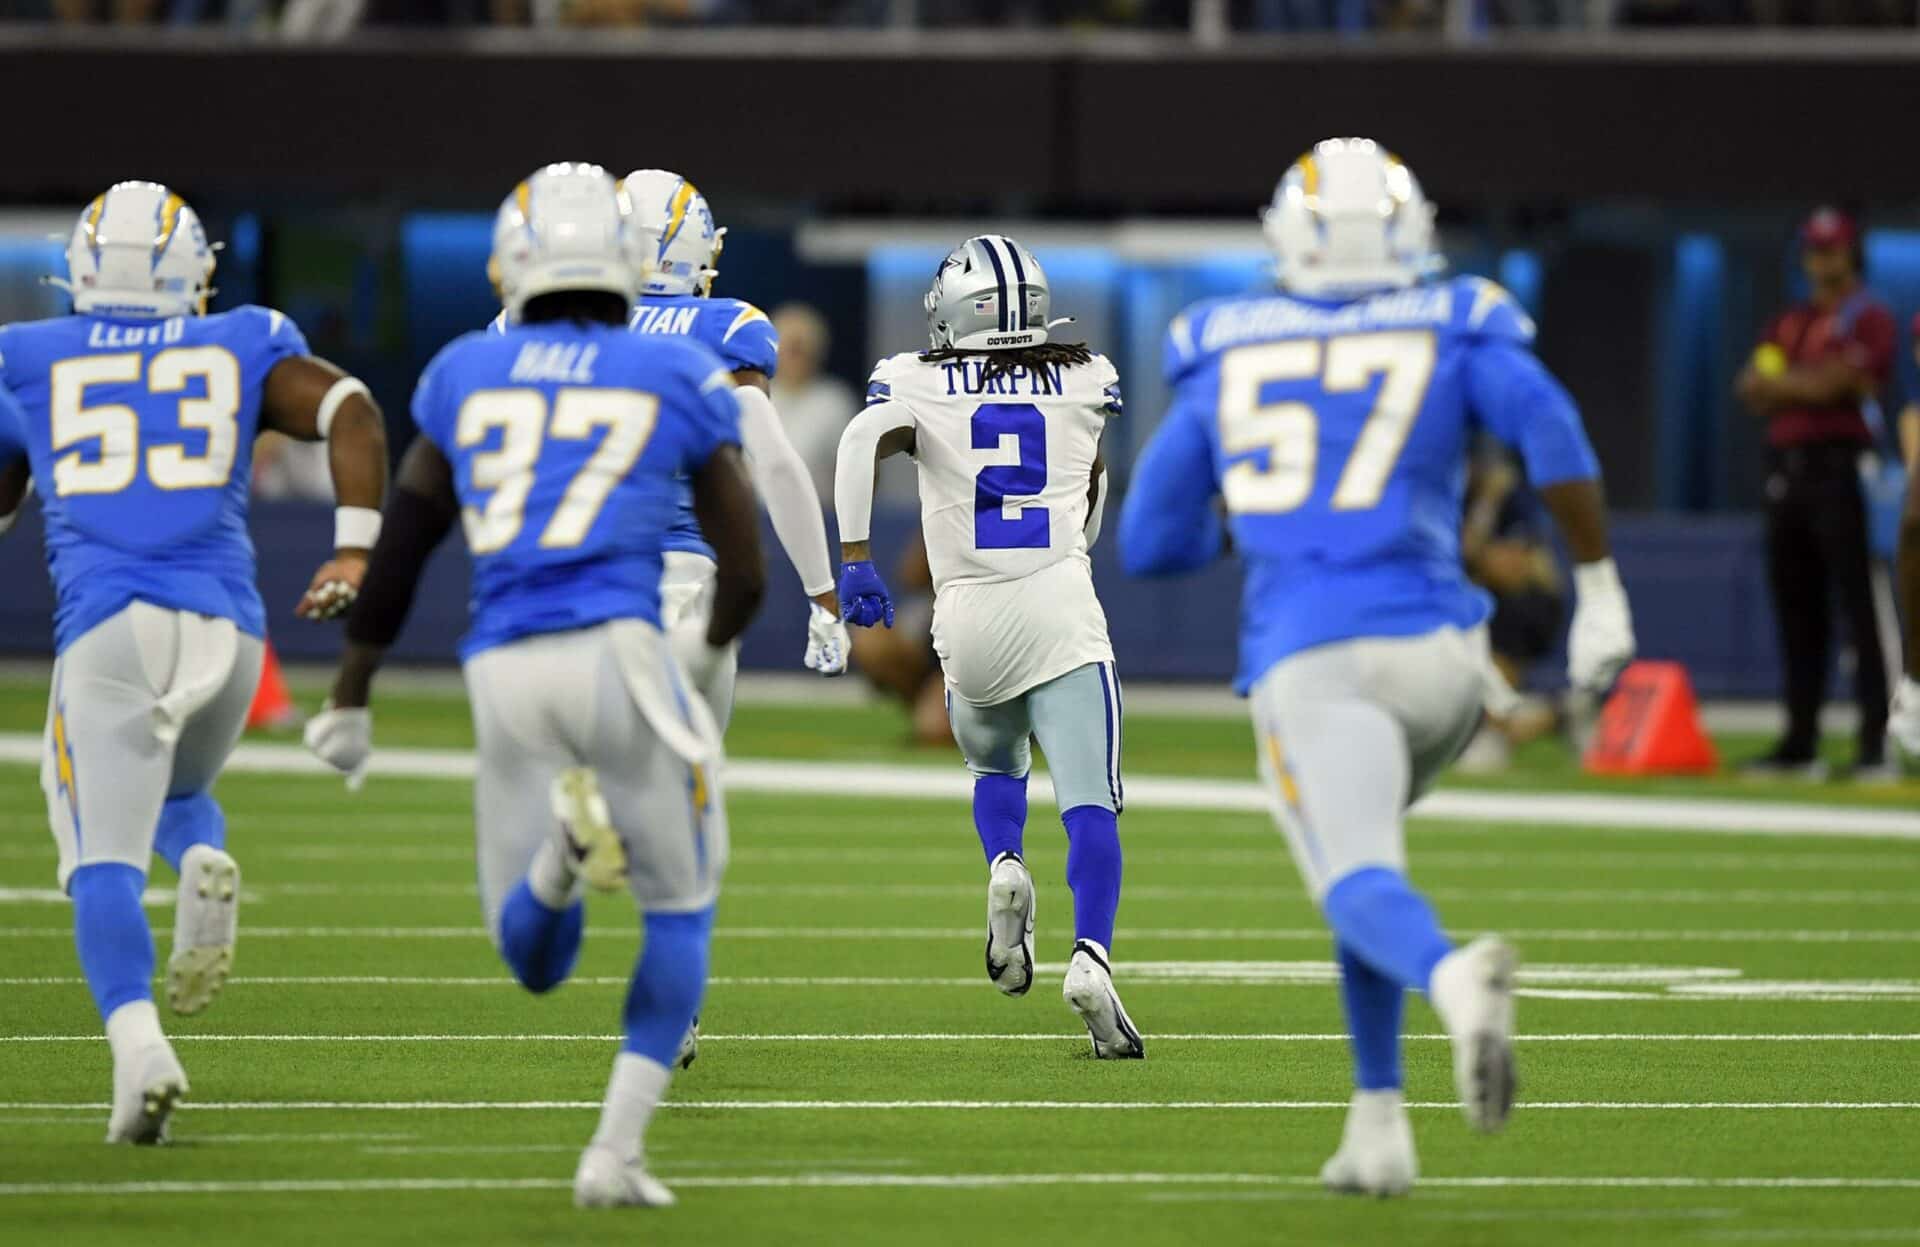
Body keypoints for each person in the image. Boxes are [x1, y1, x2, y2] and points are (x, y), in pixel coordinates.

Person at [1119, 138, 1635, 1195]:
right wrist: (1605, 590)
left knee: (1354, 877)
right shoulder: (1454, 317)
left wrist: (1251, 516)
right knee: (1368, 865)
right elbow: (1551, 424)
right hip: (1449, 656)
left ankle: (1455, 978)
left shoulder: (1223, 342)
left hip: (1318, 654)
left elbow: (1150, 541)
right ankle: (1377, 1121)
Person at [303, 163, 763, 1208]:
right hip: (622, 648)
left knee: (534, 956)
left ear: (513, 256)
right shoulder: (675, 370)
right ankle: (614, 1150)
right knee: (682, 903)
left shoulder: (469, 367)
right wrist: (693, 671)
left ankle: (561, 858)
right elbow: (743, 571)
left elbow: (408, 544)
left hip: (504, 666)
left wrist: (351, 692)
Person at [0, 180, 388, 1143]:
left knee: (97, 852)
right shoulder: (242, 337)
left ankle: (139, 1052)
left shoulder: (26, 356)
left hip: (110, 627)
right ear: (192, 272)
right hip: (231, 633)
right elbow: (349, 408)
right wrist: (352, 548)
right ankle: (203, 853)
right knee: (171, 796)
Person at [834, 235, 1139, 1058]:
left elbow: (859, 440)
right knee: (1089, 800)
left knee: (995, 768)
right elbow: (1094, 490)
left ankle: (1006, 861)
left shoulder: (917, 378)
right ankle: (1092, 957)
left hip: (965, 614)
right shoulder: (1084, 374)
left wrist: (856, 558)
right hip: (1057, 601)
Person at [493, 170, 846, 729]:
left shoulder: (525, 327)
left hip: (554, 577)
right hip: (677, 581)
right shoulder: (723, 328)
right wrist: (822, 593)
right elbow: (774, 461)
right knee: (684, 780)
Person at [1735, 207, 1899, 781]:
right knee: (1796, 610)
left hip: (1840, 470)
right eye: (1813, 249)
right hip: (1787, 471)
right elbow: (1751, 386)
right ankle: (1799, 742)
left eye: (1831, 250)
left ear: (1850, 253)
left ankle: (1877, 742)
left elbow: (1844, 382)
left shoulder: (1868, 316)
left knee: (1861, 611)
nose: (1820, 260)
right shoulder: (1791, 320)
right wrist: (1804, 385)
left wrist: (1789, 386)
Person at [770, 301, 857, 502]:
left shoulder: (835, 402)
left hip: (822, 518)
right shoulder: (753, 398)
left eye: (800, 349)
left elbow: (855, 472)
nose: (795, 357)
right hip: (758, 519)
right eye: (789, 348)